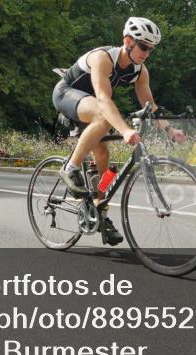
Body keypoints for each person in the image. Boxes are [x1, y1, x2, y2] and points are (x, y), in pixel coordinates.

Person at [52, 16, 186, 246]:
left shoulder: (140, 71)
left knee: (103, 157)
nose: (146, 52)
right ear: (128, 41)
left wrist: (170, 130)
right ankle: (70, 168)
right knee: (103, 118)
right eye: (143, 46)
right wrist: (124, 130)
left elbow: (150, 106)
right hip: (66, 94)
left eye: (151, 49)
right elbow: (103, 99)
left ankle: (100, 212)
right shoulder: (103, 58)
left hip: (91, 104)